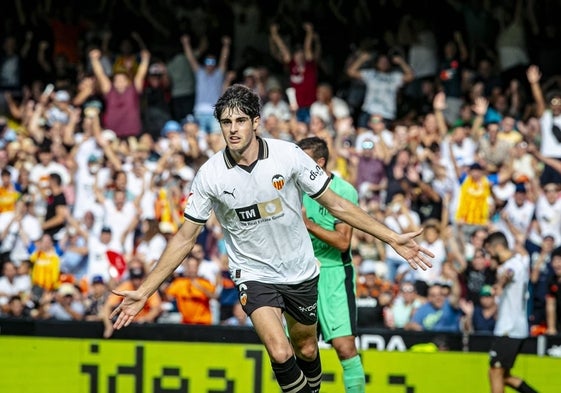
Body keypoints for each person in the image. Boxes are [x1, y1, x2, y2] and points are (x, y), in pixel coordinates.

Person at [109, 84, 433, 393]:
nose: (233, 129)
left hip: (300, 270)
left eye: (240, 121)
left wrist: (391, 237)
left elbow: (335, 203)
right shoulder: (210, 175)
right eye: (226, 122)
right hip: (253, 274)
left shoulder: (288, 156)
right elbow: (184, 238)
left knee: (306, 347)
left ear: (255, 122)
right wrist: (145, 290)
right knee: (280, 352)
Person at [297, 136, 365, 393]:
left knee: (345, 347)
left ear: (320, 162)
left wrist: (309, 225)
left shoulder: (343, 191)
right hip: (302, 276)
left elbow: (343, 242)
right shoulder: (294, 191)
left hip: (335, 274)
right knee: (303, 350)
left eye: (303, 160)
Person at [484, 231, 538, 393]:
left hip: (509, 329)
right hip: (513, 327)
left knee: (495, 372)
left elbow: (508, 275)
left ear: (498, 247)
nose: (489, 256)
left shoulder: (512, 265)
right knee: (503, 375)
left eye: (490, 251)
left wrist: (499, 285)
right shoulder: (517, 262)